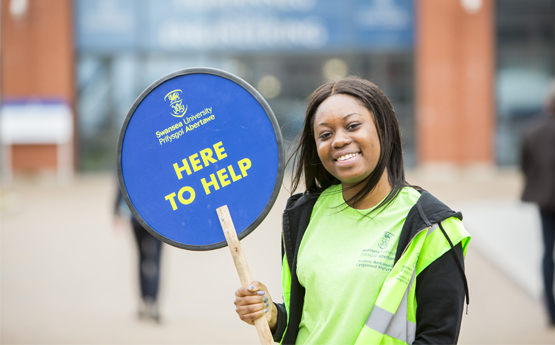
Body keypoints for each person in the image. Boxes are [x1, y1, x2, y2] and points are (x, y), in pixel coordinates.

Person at [234, 76, 471, 344]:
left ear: (382, 128)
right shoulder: (303, 215)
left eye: (352, 126)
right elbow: (315, 319)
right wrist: (272, 314)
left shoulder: (432, 226)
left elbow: (438, 337)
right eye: (325, 134)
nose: (338, 140)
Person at [520, 79, 555, 327]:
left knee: (547, 254)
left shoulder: (532, 130)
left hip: (545, 201)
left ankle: (551, 313)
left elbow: (525, 166)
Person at [114, 189, 163, 323]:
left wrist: (116, 210)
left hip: (136, 215)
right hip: (158, 219)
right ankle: (153, 304)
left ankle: (145, 303)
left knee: (142, 259)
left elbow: (121, 184)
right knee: (155, 260)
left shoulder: (128, 167)